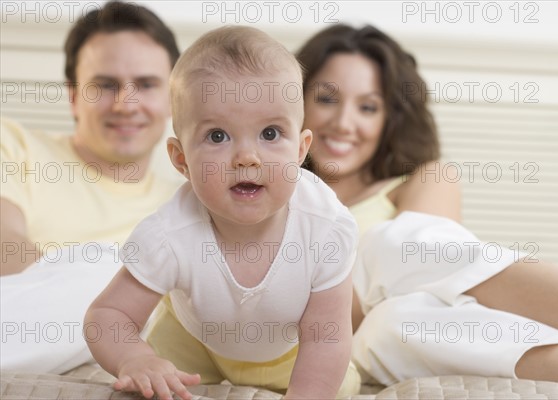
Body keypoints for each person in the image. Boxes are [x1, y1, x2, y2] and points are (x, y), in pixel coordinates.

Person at [297, 24, 558, 385]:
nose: (344, 123)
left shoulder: (423, 179)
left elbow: (432, 285)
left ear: (389, 120)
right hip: (301, 335)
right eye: (327, 99)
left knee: (398, 316)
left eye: (367, 107)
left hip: (394, 335)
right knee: (387, 255)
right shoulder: (273, 190)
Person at [85, 26, 361, 400]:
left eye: (270, 133)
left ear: (300, 149)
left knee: (339, 385)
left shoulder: (325, 227)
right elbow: (107, 317)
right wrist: (135, 358)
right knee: (152, 389)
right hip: (191, 341)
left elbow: (326, 334)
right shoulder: (170, 233)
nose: (247, 157)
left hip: (289, 352)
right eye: (218, 136)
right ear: (182, 160)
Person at [0, 1, 181, 372]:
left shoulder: (189, 204)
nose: (126, 105)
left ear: (173, 99)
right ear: (73, 96)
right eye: (105, 86)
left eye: (146, 85)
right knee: (112, 273)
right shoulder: (13, 144)